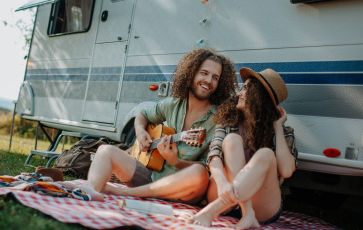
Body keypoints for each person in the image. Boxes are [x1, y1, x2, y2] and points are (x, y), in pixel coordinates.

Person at [61, 48, 237, 203]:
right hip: (152, 176)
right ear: (191, 73)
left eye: (215, 77)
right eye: (204, 73)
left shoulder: (218, 119)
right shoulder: (173, 104)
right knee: (105, 150)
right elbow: (142, 115)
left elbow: (207, 169)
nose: (208, 81)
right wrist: (140, 132)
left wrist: (175, 161)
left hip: (184, 189)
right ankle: (90, 188)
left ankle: (121, 192)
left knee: (199, 173)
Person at [187, 68, 298, 230]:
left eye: (246, 89)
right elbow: (214, 157)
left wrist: (278, 127)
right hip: (224, 193)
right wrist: (223, 183)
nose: (239, 93)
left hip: (261, 205)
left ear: (259, 97)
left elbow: (287, 171)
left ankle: (212, 211)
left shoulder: (283, 132)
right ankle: (247, 214)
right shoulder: (228, 121)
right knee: (232, 140)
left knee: (266, 154)